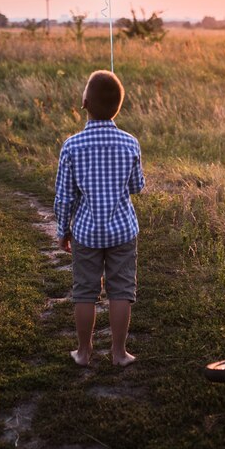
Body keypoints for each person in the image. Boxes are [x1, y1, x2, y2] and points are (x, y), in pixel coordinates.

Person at [54, 70, 145, 366]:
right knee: (121, 290)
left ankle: (84, 352)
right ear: (118, 107)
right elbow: (136, 186)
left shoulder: (72, 146)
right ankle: (119, 353)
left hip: (85, 232)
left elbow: (64, 196)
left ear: (84, 103)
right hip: (122, 231)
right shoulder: (130, 143)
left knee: (85, 291)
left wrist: (62, 230)